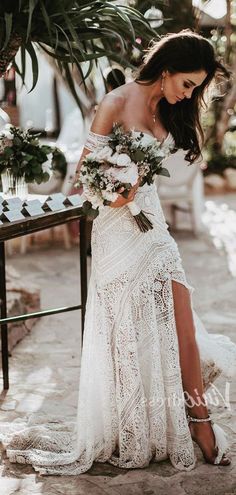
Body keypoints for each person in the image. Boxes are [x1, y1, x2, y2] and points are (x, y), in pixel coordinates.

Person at [1, 29, 236, 475]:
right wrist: (115, 195)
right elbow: (84, 180)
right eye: (187, 84)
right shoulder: (113, 102)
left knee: (179, 316)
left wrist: (135, 189)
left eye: (195, 88)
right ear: (165, 71)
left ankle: (199, 420)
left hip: (153, 227)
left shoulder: (171, 108)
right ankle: (135, 425)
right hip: (116, 228)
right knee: (126, 332)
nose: (189, 94)